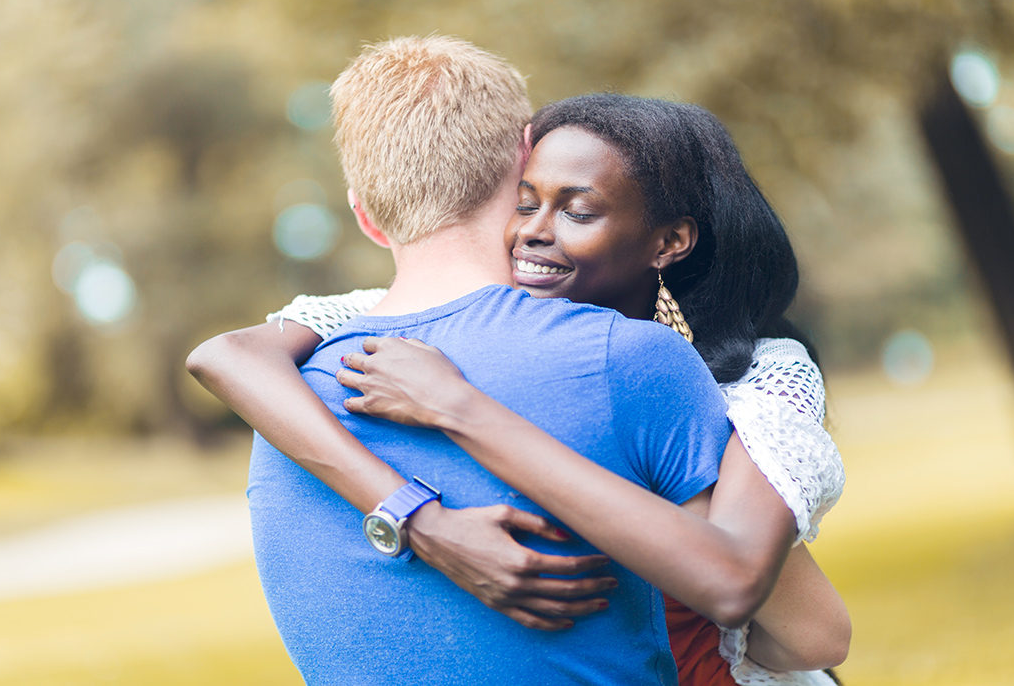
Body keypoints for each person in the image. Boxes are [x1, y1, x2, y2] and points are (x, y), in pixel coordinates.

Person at [188, 38, 846, 685]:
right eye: (531, 201)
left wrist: (441, 452)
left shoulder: (296, 394)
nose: (537, 229)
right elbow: (809, 633)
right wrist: (423, 519)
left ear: (366, 218)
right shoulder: (635, 365)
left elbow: (227, 355)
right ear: (519, 165)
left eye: (576, 207)